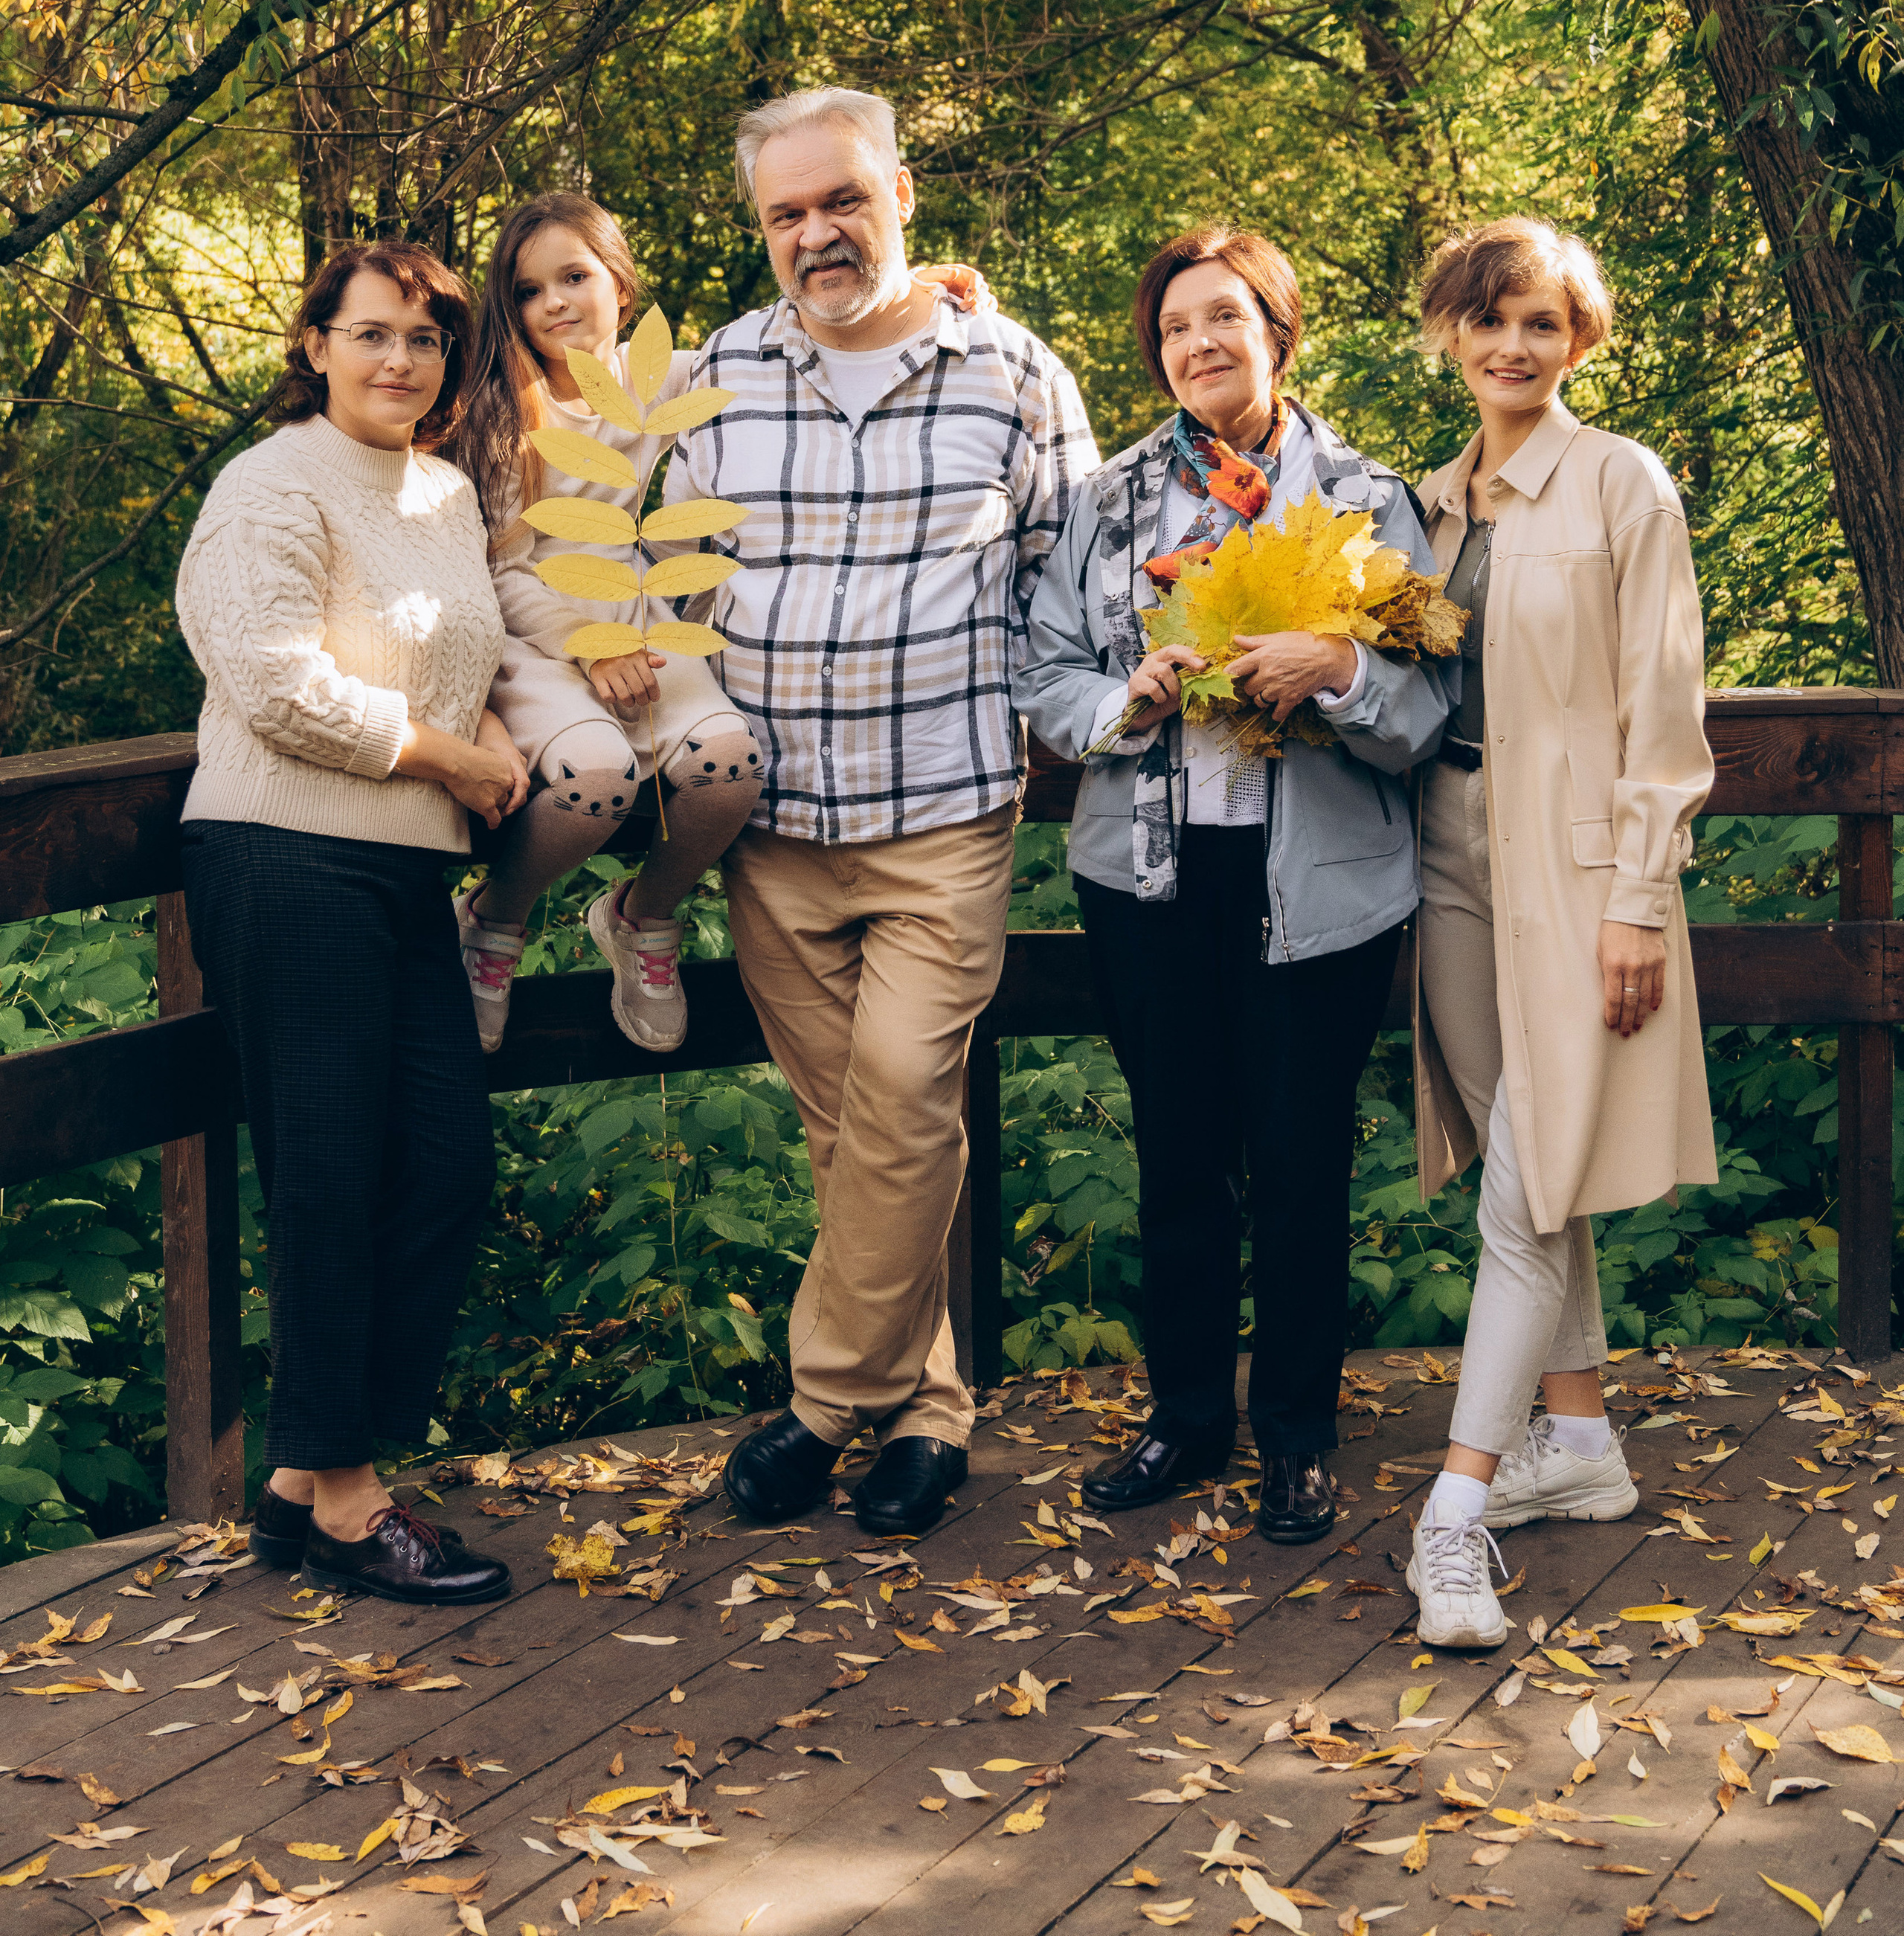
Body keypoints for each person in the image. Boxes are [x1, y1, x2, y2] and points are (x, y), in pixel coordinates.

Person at [664, 86, 1096, 1538]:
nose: (815, 234)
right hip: (773, 835)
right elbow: (654, 584)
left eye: (840, 201)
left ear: (899, 192)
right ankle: (927, 1415)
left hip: (941, 817)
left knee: (907, 1104)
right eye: (785, 214)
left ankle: (817, 1406)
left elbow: (1072, 584)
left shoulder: (1013, 374)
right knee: (848, 1137)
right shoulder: (714, 375)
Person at [1016, 224, 1451, 1541]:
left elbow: (1429, 714)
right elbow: (1043, 679)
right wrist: (1125, 699)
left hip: (1315, 879)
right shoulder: (1109, 502)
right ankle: (1189, 1418)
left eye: (1225, 319)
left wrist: (1340, 673)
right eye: (1174, 329)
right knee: (1181, 1156)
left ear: (1278, 331)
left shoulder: (1367, 498)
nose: (1199, 345)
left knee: (1304, 1158)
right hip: (1150, 881)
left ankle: (1300, 1438)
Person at [174, 240, 524, 1607]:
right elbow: (266, 676)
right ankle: (346, 1501)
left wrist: (483, 728)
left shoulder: (441, 491)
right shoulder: (269, 483)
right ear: (315, 344)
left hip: (400, 875)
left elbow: (467, 654)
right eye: (370, 334)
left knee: (440, 1167)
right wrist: (448, 756)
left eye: (425, 341)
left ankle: (296, 1477)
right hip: (281, 855)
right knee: (326, 1177)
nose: (399, 361)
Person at [1403, 217, 1715, 1649]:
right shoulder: (1429, 505)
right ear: (1449, 337)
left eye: (1541, 323)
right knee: (1528, 1161)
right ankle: (1578, 1444)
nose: (1513, 347)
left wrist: (1639, 904)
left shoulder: (1622, 484)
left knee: (1525, 1190)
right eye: (1489, 321)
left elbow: (1669, 717)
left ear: (1578, 341)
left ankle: (1457, 1513)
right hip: (1449, 866)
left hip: (1580, 881)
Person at [451, 193, 765, 1055]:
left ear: (619, 287)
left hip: (641, 620)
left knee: (732, 767)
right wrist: (590, 648)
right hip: (543, 637)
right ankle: (493, 921)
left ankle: (641, 916)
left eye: (574, 277)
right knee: (596, 781)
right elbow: (504, 570)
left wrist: (919, 286)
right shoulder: (501, 415)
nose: (553, 302)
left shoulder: (659, 377)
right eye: (526, 290)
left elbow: (789, 349)